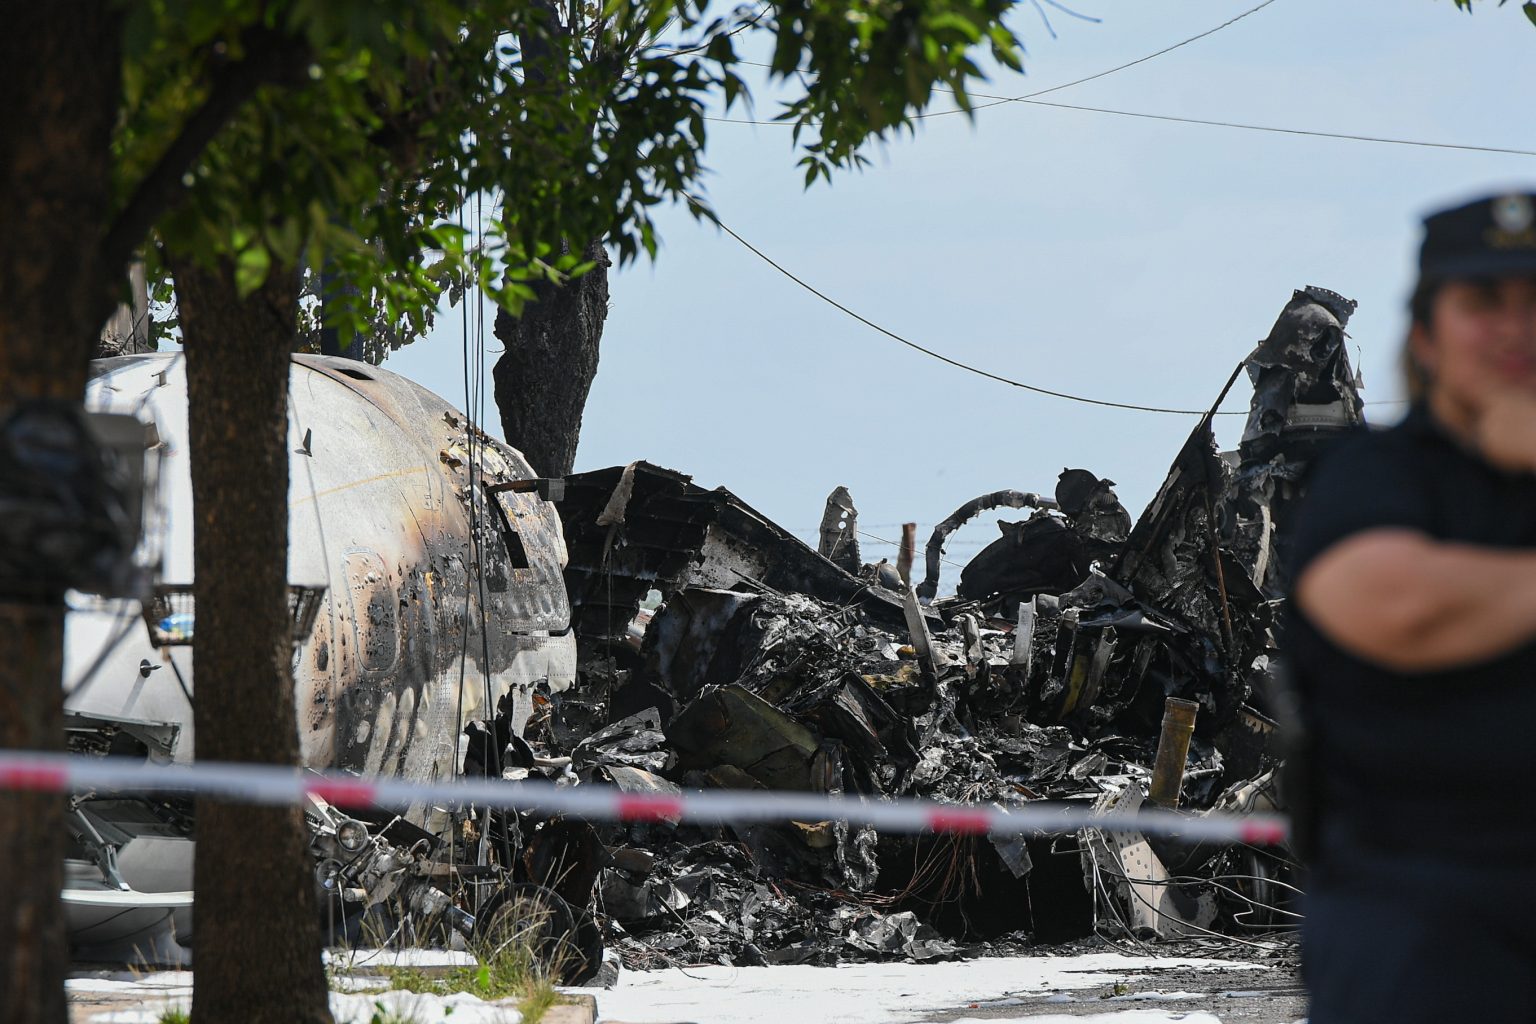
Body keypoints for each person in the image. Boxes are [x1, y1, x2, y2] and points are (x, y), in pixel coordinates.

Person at [1287, 191, 1536, 1023]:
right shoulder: (1372, 476)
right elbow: (1399, 607)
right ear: (1426, 336)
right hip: (1422, 929)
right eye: (1484, 302)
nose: (1515, 329)